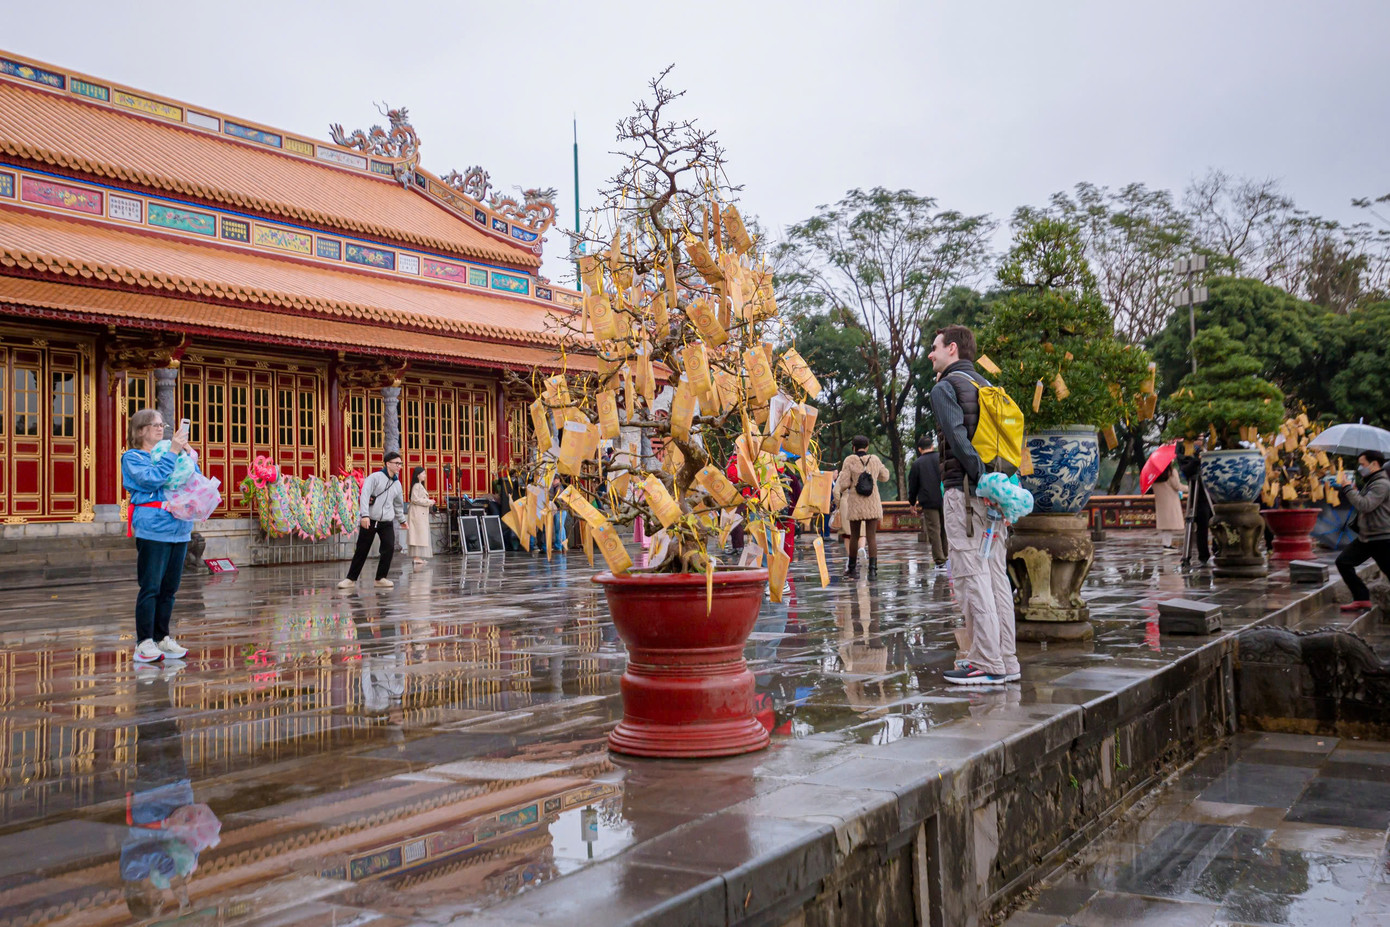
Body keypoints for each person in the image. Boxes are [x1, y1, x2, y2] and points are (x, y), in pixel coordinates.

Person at [928, 324, 1020, 685]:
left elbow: (958, 438)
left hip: (966, 494)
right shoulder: (987, 386)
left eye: (935, 347)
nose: (931, 354)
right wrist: (997, 486)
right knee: (996, 575)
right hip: (996, 494)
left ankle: (985, 660)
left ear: (952, 348)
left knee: (971, 576)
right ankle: (1006, 659)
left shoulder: (945, 387)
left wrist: (982, 480)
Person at [121, 409, 195, 665]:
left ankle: (162, 637)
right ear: (140, 430)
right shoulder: (133, 457)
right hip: (153, 527)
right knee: (151, 587)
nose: (160, 428)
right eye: (154, 425)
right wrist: (173, 452)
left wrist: (187, 454)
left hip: (179, 528)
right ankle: (144, 642)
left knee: (169, 589)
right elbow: (152, 479)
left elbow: (189, 478)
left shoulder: (168, 452)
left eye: (162, 424)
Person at [1333, 450, 1390, 611]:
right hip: (1368, 537)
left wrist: (1347, 488)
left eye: (1362, 464)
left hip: (1381, 537)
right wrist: (1354, 490)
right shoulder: (1372, 482)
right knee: (1343, 562)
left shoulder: (1381, 484)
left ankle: (1361, 598)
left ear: (1374, 464)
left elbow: (1365, 505)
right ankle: (1361, 598)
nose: (1360, 468)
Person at [339, 451, 406, 589]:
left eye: (401, 464)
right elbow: (365, 495)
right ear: (388, 464)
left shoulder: (397, 484)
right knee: (362, 550)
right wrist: (365, 515)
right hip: (370, 519)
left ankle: (380, 578)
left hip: (386, 521)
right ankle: (350, 579)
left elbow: (398, 504)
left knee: (388, 548)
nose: (399, 466)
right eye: (397, 463)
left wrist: (402, 520)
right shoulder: (374, 477)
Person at [833, 435, 889, 578]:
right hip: (872, 503)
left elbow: (844, 484)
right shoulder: (875, 459)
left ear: (853, 447)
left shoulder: (849, 460)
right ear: (867, 447)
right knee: (871, 537)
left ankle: (852, 569)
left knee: (854, 536)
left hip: (855, 503)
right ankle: (873, 570)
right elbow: (885, 476)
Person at [907, 435, 948, 567]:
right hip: (945, 498)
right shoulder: (942, 459)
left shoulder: (917, 464)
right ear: (932, 446)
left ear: (920, 449)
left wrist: (912, 503)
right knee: (946, 528)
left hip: (929, 501)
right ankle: (947, 556)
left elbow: (913, 485)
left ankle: (940, 560)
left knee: (934, 530)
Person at [1177, 436, 1212, 564]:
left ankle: (1218, 549)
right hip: (1198, 493)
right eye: (1197, 438)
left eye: (1202, 438)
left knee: (1215, 521)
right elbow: (1186, 470)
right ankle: (1202, 555)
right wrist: (1196, 460)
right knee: (1201, 524)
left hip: (1211, 491)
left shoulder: (1208, 450)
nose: (1200, 441)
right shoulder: (1184, 451)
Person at [1152, 460, 1185, 551]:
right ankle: (1167, 545)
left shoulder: (1154, 474)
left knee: (1165, 525)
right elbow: (1177, 486)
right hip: (1171, 501)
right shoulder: (1171, 472)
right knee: (1169, 525)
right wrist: (1190, 488)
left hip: (1160, 502)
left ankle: (1166, 544)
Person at [406, 466, 433, 565]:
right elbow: (415, 499)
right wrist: (428, 502)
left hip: (419, 513)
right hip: (417, 514)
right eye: (423, 474)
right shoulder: (417, 486)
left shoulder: (419, 485)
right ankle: (416, 557)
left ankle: (417, 557)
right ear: (418, 475)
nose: (425, 475)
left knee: (418, 535)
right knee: (417, 535)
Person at [493, 466, 524, 551]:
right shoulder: (506, 483)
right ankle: (510, 545)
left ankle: (514, 545)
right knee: (508, 528)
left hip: (513, 509)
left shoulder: (519, 484)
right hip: (508, 509)